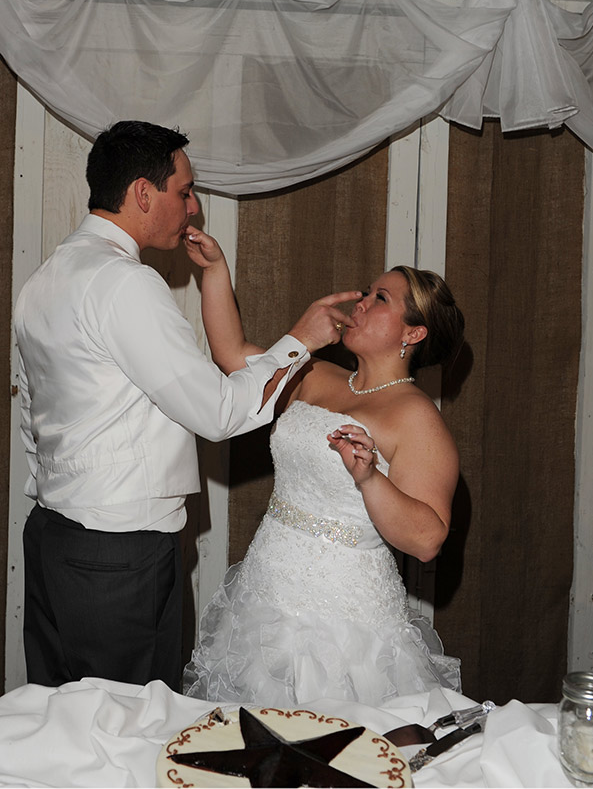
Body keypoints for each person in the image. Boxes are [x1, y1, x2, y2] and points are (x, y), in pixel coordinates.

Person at [14, 120, 360, 691]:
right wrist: (301, 339)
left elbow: (34, 417)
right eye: (185, 190)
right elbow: (219, 413)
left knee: (61, 715)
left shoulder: (45, 278)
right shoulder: (123, 283)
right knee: (133, 721)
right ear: (142, 193)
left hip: (54, 532)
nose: (194, 206)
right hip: (118, 551)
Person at [183, 233, 465, 708]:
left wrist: (370, 479)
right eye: (366, 292)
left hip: (343, 621)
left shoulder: (417, 418)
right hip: (264, 596)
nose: (361, 303)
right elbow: (233, 354)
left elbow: (426, 539)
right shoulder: (316, 376)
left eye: (380, 299)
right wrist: (213, 270)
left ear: (413, 334)